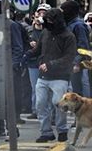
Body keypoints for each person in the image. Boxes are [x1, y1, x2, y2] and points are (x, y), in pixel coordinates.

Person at [25, 8, 76, 143]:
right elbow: (38, 50)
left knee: (58, 103)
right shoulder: (45, 33)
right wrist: (27, 55)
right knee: (40, 104)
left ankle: (62, 129)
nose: (48, 23)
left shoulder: (68, 36)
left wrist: (51, 64)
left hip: (60, 76)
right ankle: (46, 131)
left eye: (50, 20)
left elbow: (69, 57)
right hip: (43, 76)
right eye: (47, 20)